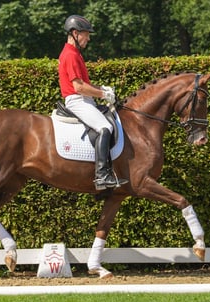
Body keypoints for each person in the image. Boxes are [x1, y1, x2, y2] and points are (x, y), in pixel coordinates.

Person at [58, 14, 128, 191]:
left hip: (84, 99)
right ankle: (102, 175)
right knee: (106, 127)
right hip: (77, 100)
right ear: (75, 33)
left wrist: (103, 89)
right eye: (86, 34)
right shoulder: (71, 55)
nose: (88, 38)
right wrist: (102, 94)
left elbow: (86, 84)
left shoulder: (75, 54)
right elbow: (79, 87)